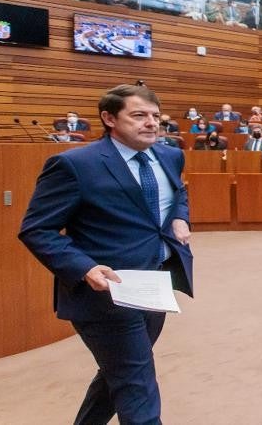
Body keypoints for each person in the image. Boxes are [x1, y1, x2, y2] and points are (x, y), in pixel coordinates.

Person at [19, 83, 193, 425]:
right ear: (109, 118)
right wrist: (83, 267)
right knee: (137, 384)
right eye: (138, 115)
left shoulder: (170, 155)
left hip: (153, 285)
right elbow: (36, 229)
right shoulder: (74, 165)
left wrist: (179, 216)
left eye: (156, 116)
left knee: (122, 371)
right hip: (104, 293)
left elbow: (178, 192)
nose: (151, 123)